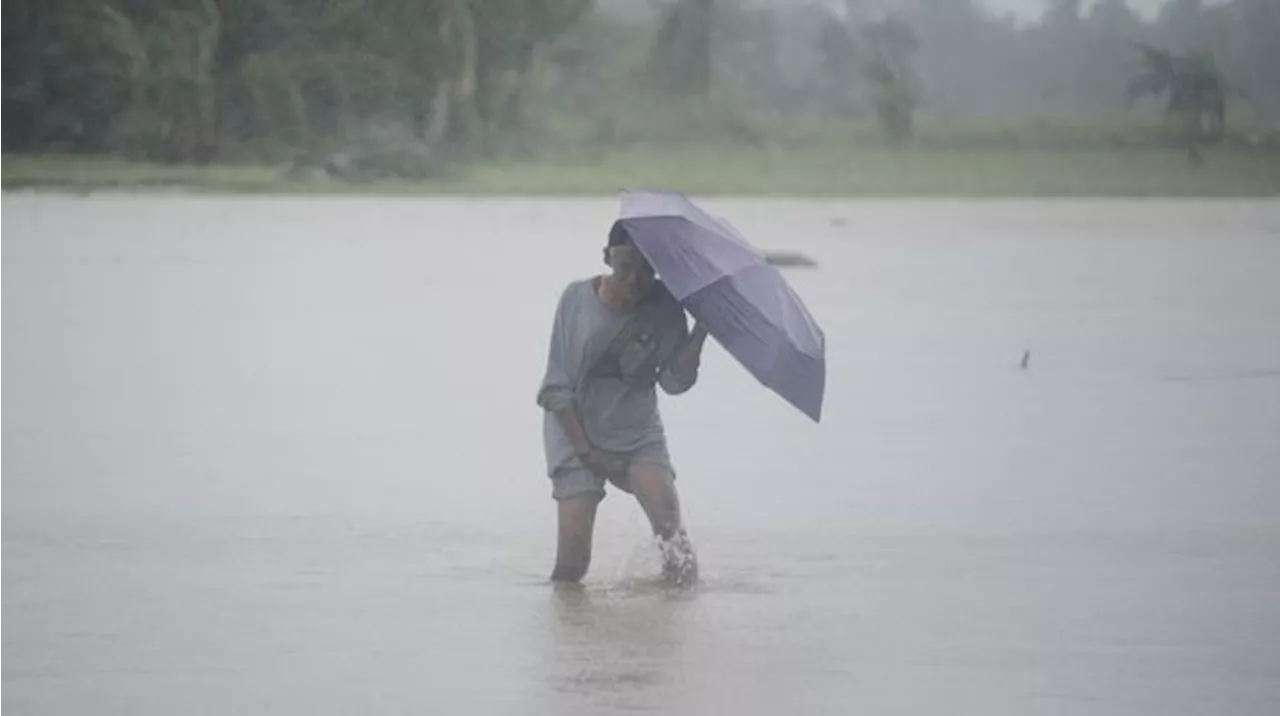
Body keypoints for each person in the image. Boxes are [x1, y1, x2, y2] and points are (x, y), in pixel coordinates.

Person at [536, 221, 709, 587]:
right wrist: (588, 453)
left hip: (636, 433)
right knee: (572, 567)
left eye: (647, 269)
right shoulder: (576, 301)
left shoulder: (665, 307)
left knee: (676, 549)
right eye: (625, 265)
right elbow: (555, 389)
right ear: (607, 258)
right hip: (574, 430)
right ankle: (571, 641)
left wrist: (701, 332)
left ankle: (673, 632)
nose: (635, 279)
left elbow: (674, 382)